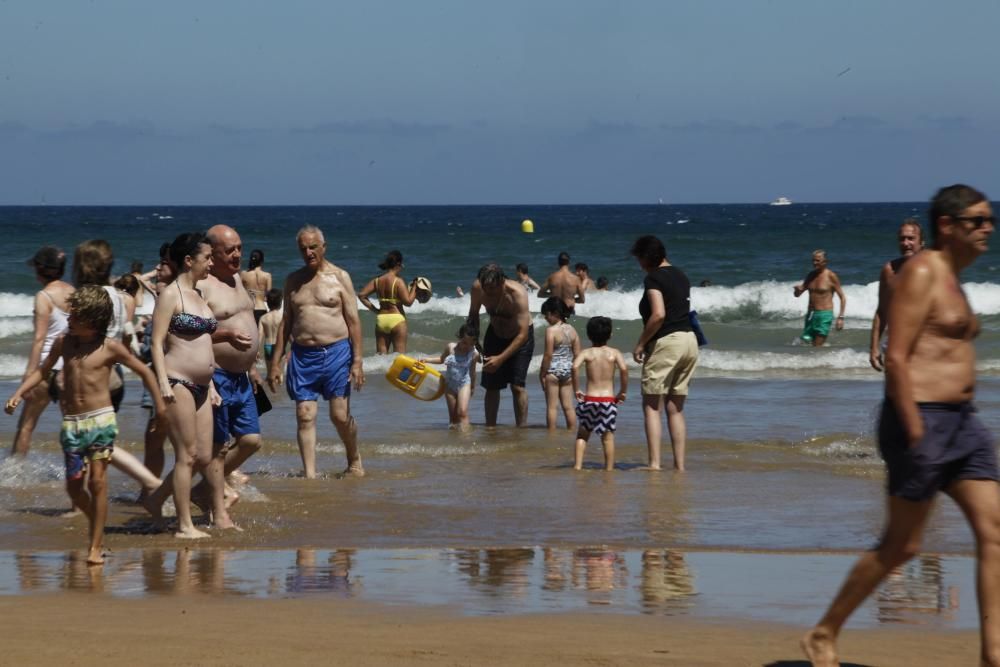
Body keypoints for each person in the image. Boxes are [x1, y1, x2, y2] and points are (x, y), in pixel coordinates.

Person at [802, 185, 1000, 667]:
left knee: (994, 531)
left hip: (963, 424)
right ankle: (824, 632)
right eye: (977, 221)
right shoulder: (922, 274)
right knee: (902, 546)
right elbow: (897, 356)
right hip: (922, 420)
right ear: (948, 226)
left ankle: (993, 655)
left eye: (989, 219)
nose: (987, 228)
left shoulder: (954, 276)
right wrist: (914, 432)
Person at [5, 285, 167, 565]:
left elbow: (145, 372)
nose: (68, 319)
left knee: (98, 481)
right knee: (74, 487)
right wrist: (19, 393)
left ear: (92, 321)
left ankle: (95, 545)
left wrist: (161, 408)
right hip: (73, 424)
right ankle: (95, 517)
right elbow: (44, 370)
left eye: (74, 316)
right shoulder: (64, 343)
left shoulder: (109, 348)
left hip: (101, 420)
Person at [144, 232, 234, 538]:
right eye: (206, 257)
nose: (211, 262)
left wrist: (211, 385)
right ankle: (185, 526)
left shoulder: (199, 295)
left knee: (205, 457)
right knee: (186, 455)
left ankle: (156, 499)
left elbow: (205, 341)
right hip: (177, 381)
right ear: (188, 260)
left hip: (203, 386)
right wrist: (162, 385)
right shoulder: (171, 295)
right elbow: (156, 344)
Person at [266, 225, 365, 479]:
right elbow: (286, 322)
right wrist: (275, 363)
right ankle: (309, 475)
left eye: (313, 247)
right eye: (303, 249)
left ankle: (354, 459)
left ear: (324, 247)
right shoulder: (293, 280)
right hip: (302, 356)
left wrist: (357, 362)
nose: (308, 253)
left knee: (339, 416)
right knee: (304, 414)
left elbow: (354, 322)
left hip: (337, 353)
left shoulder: (340, 277)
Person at [197, 224, 261, 510]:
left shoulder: (239, 281)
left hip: (242, 377)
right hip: (217, 375)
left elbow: (249, 322)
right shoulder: (202, 286)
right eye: (229, 250)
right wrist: (208, 381)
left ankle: (205, 488)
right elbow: (189, 333)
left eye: (239, 248)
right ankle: (216, 505)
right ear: (213, 252)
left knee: (251, 440)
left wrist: (253, 364)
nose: (237, 255)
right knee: (217, 447)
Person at [631, 235, 698, 471]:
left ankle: (655, 464)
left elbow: (658, 315)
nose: (639, 264)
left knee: (651, 404)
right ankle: (679, 466)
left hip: (668, 342)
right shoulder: (681, 275)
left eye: (639, 259)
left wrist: (640, 344)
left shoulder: (654, 278)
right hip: (690, 341)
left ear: (646, 258)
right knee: (675, 407)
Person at [10, 246, 74, 457]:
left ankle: (16, 474)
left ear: (40, 269)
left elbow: (39, 339)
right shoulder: (74, 292)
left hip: (46, 369)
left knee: (26, 425)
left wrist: (29, 374)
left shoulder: (43, 296)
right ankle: (77, 467)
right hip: (69, 369)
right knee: (73, 423)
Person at [468, 263, 533, 427]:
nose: (488, 292)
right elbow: (473, 314)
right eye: (485, 287)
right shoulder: (478, 288)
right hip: (495, 334)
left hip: (520, 337)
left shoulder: (517, 293)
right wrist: (474, 340)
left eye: (493, 288)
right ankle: (490, 428)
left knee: (517, 386)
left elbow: (523, 334)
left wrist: (501, 359)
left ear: (502, 282)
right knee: (491, 386)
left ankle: (521, 428)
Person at [572, 316, 628, 471]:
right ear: (610, 335)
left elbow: (574, 367)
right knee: (607, 437)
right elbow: (624, 369)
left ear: (589, 335)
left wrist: (576, 389)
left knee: (583, 434)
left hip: (590, 399)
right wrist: (622, 392)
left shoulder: (587, 353)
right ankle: (609, 469)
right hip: (608, 400)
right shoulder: (614, 353)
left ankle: (577, 466)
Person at [870, 220, 924, 371]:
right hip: (895, 348)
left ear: (921, 242)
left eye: (911, 238)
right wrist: (874, 348)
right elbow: (881, 311)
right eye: (902, 239)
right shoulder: (889, 270)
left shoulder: (933, 268)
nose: (906, 243)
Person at [419, 322, 480, 430]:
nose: (467, 346)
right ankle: (455, 441)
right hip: (449, 386)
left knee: (462, 412)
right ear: (460, 338)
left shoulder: (474, 354)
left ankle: (466, 440)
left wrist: (472, 387)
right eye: (465, 342)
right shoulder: (450, 348)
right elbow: (442, 360)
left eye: (471, 344)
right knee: (453, 418)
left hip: (464, 383)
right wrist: (427, 360)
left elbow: (472, 372)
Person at [357, 250, 417, 354]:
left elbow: (362, 295)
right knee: (399, 358)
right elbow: (408, 302)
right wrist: (415, 288)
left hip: (381, 319)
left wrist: (375, 310)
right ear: (398, 264)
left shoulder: (377, 280)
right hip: (397, 319)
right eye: (402, 264)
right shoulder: (398, 281)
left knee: (381, 358)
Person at [539, 297, 580, 430]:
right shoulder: (573, 330)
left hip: (553, 371)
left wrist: (542, 373)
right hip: (568, 371)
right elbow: (578, 355)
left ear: (555, 313)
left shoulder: (551, 331)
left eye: (547, 315)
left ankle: (551, 435)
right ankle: (572, 432)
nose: (546, 318)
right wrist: (573, 372)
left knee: (552, 407)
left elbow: (548, 355)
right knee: (568, 407)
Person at [793, 250, 846, 347]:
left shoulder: (831, 276)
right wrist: (797, 290)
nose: (814, 263)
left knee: (816, 347)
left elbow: (842, 297)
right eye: (813, 260)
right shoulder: (811, 275)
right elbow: (798, 294)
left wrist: (841, 317)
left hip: (824, 315)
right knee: (809, 345)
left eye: (817, 260)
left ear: (825, 261)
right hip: (811, 315)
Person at [240, 249, 272, 324]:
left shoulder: (244, 274)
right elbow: (269, 296)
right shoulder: (267, 276)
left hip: (248, 309)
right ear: (262, 261)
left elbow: (239, 292)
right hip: (262, 308)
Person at [259, 288, 283, 365]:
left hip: (268, 346)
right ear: (280, 302)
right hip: (279, 346)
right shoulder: (282, 317)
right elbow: (288, 334)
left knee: (269, 373)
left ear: (268, 302)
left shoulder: (263, 318)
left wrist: (256, 350)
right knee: (279, 373)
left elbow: (259, 335)